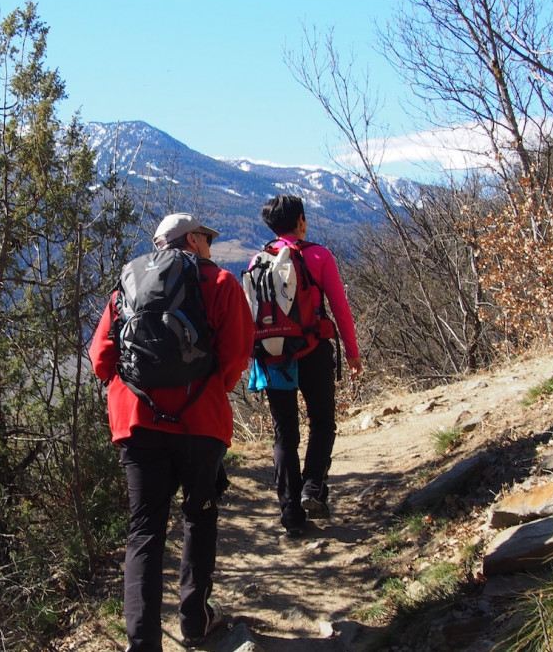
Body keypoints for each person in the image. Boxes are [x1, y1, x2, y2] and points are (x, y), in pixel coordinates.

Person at [89, 213, 253, 651]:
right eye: (207, 239)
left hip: (137, 422)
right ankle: (194, 621)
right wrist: (208, 389)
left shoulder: (128, 284)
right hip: (201, 421)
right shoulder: (220, 284)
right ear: (192, 241)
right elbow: (237, 353)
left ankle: (142, 644)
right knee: (198, 515)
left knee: (145, 530)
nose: (212, 248)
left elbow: (100, 360)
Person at [254, 195, 361, 539]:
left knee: (285, 432)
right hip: (313, 350)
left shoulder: (260, 259)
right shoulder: (318, 255)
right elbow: (340, 308)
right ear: (301, 219)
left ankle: (290, 514)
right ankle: (312, 489)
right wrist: (352, 352)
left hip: (274, 354)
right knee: (322, 422)